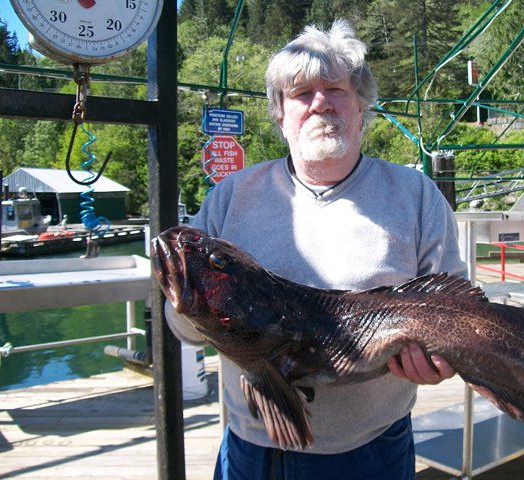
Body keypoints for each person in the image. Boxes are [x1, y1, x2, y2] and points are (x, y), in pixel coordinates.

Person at [166, 18, 467, 480]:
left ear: (361, 107)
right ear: (280, 114)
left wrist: (441, 361)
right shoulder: (229, 197)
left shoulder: (417, 195)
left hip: (374, 449)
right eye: (301, 93)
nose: (320, 102)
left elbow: (455, 313)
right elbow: (184, 330)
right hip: (251, 449)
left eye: (336, 89)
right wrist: (187, 308)